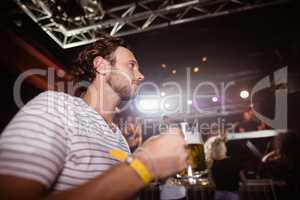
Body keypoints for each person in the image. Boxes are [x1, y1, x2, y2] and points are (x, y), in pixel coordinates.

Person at [0, 35, 188, 200]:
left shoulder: (120, 138)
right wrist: (144, 165)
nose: (140, 75)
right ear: (101, 66)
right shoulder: (56, 107)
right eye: (132, 65)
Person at [158, 115, 187, 200]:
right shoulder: (159, 151)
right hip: (168, 194)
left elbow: (183, 173)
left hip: (179, 193)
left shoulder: (178, 150)